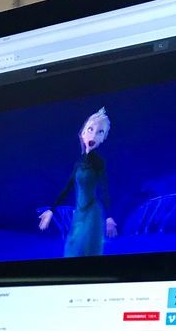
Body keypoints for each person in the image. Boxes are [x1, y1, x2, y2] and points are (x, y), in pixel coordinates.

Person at [38, 107, 118, 257]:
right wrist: (51, 210)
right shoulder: (78, 163)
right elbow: (67, 188)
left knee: (88, 249)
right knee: (72, 248)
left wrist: (109, 217)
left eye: (100, 132)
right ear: (82, 133)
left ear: (103, 138)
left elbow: (104, 188)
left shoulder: (99, 162)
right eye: (90, 129)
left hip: (92, 212)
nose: (93, 135)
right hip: (79, 213)